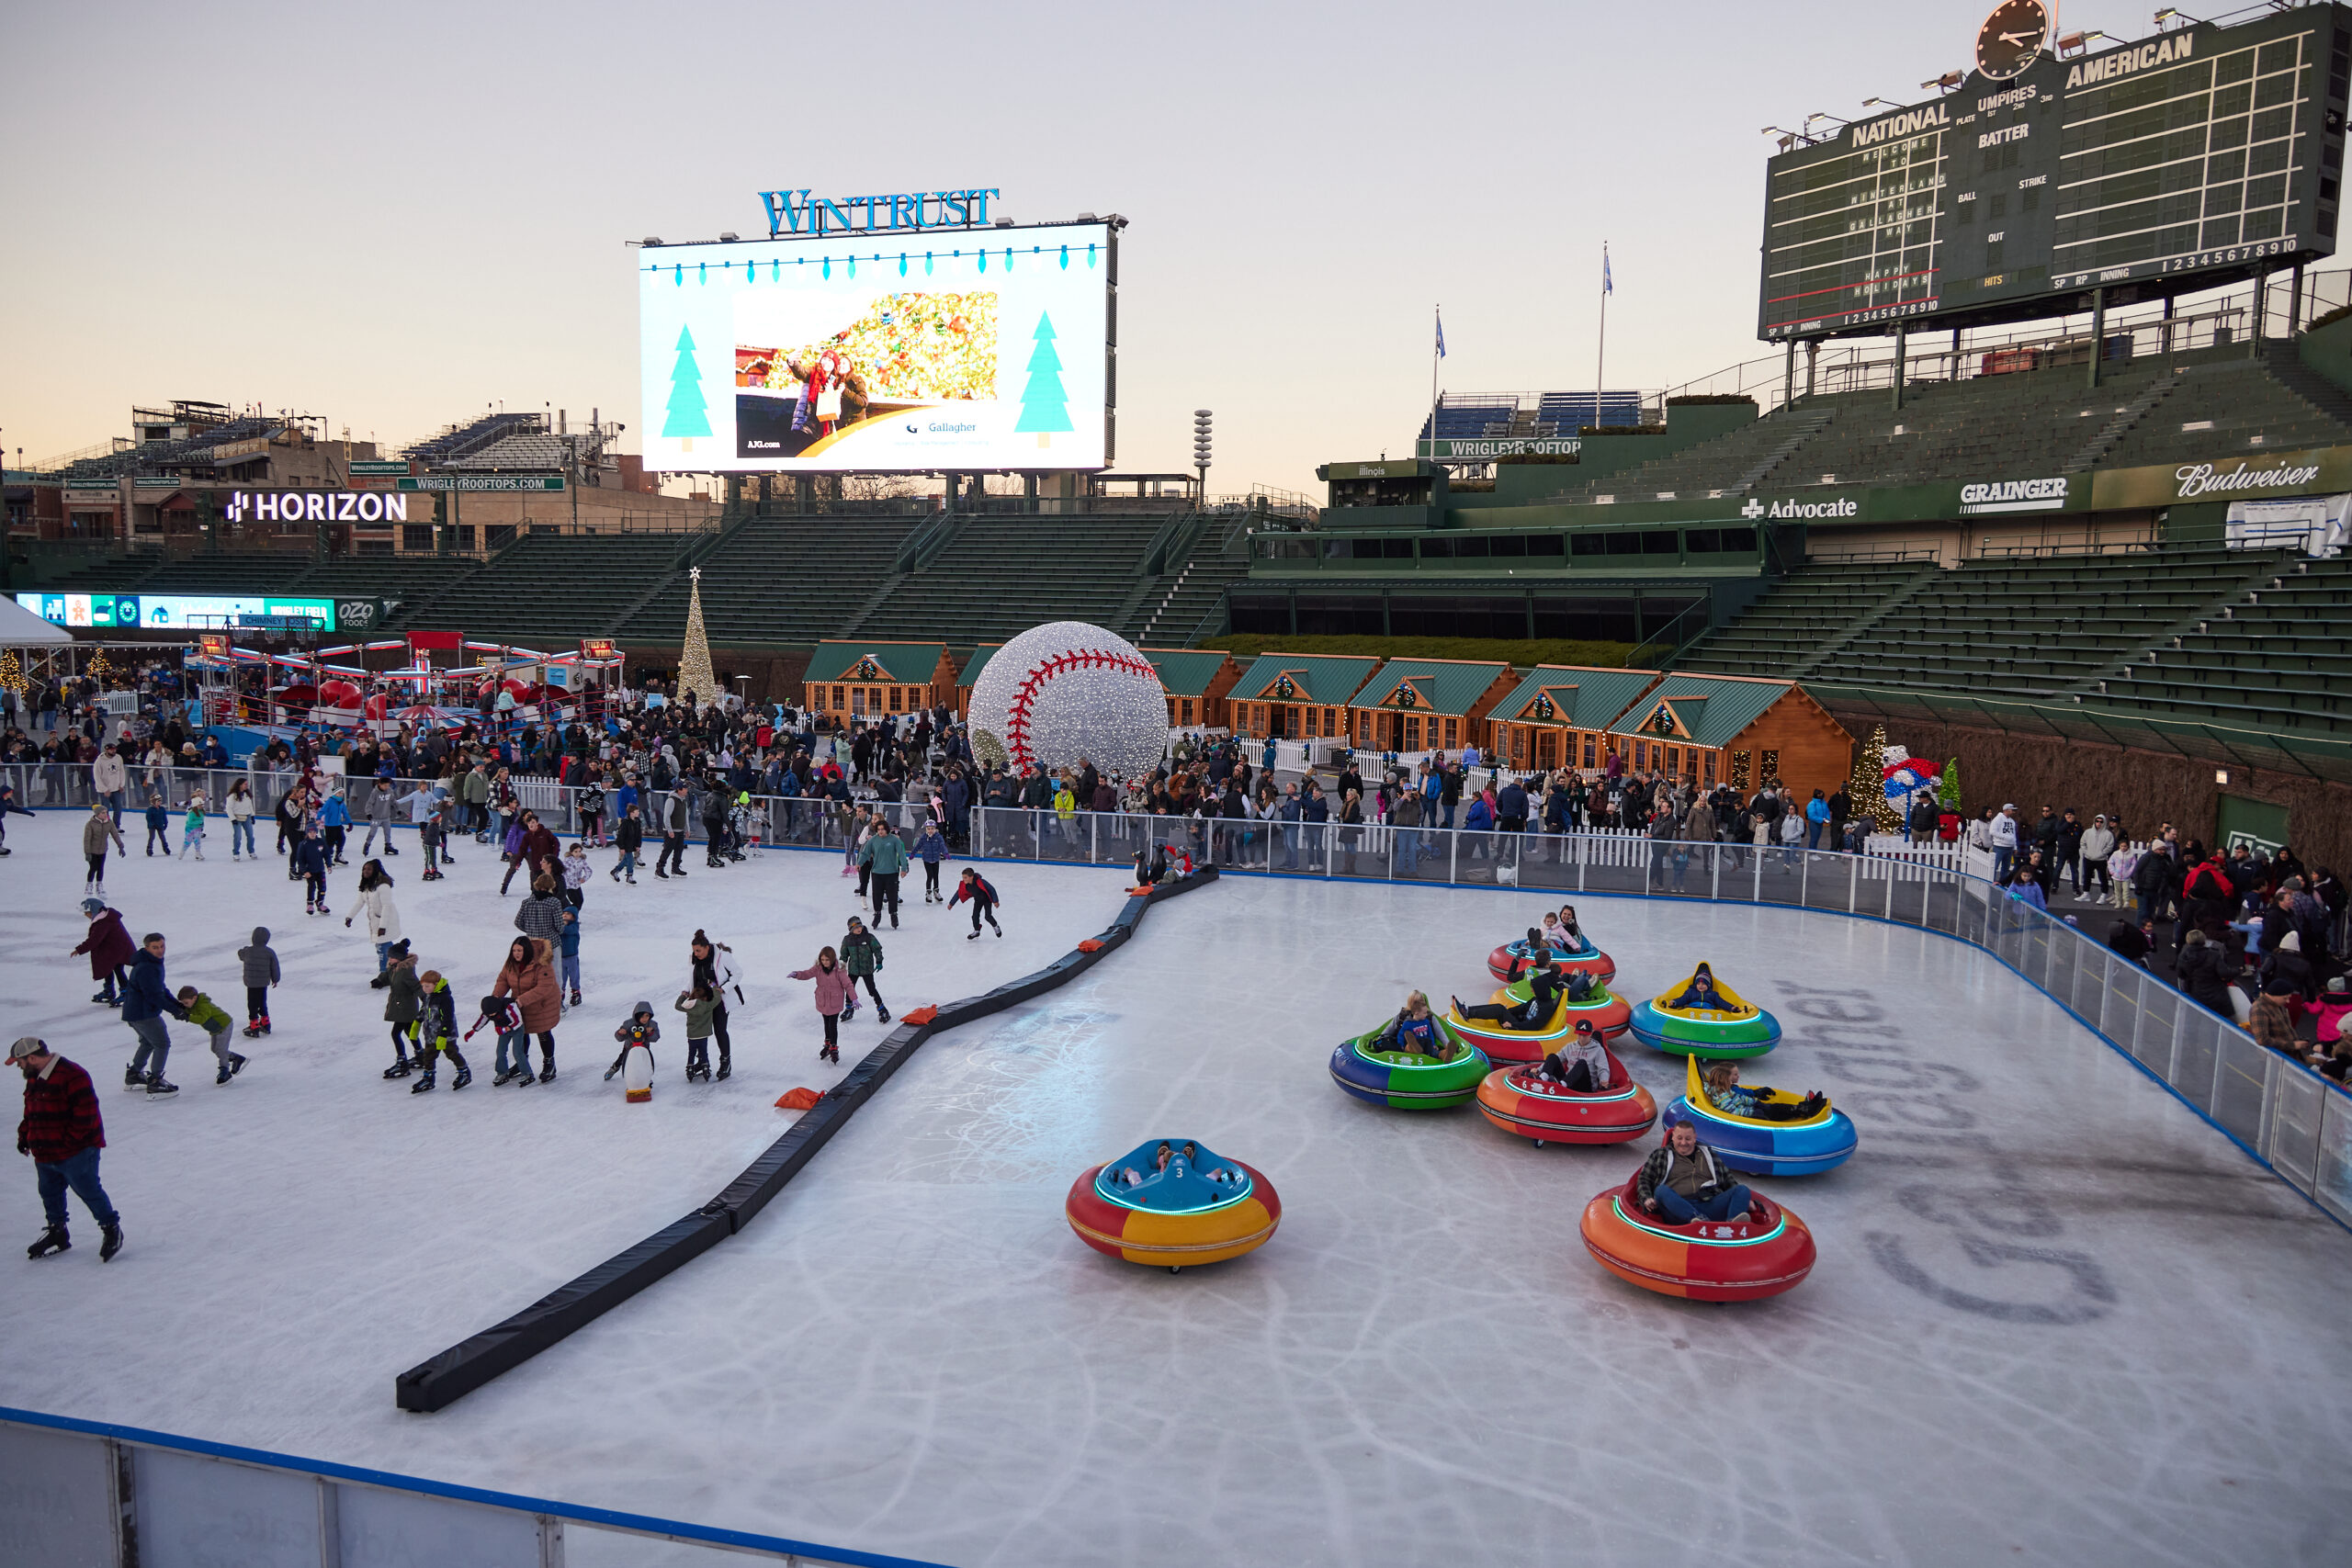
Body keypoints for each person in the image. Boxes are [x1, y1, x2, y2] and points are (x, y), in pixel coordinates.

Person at [16, 1037, 123, 1263]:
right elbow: (31, 1110)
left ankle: (111, 1228)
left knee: (89, 1190)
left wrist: (68, 1144)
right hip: (45, 1150)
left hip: (76, 1151)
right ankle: (58, 1231)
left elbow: (86, 1116)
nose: (19, 1066)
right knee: (49, 1193)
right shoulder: (35, 1078)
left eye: (20, 1061)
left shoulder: (73, 1075)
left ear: (32, 1058)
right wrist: (25, 1135)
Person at [1636, 1121, 1756, 1225]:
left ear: (1694, 1138)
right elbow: (1644, 1179)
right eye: (1679, 1138)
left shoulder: (1709, 1155)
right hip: (1677, 1208)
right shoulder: (1660, 1155)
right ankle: (1697, 1220)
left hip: (1708, 1202)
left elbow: (1728, 1179)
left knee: (1742, 1190)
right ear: (1673, 1137)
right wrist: (1646, 1197)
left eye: (1688, 1139)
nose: (1683, 1143)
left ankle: (1732, 1226)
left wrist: (1744, 1201)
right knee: (1661, 1191)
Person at [121, 931, 188, 1096]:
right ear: (146, 948)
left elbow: (161, 988)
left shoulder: (151, 962)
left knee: (147, 1042)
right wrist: (175, 1011)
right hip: (144, 1014)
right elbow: (153, 995)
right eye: (155, 947)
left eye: (162, 946)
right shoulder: (147, 967)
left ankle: (135, 1074)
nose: (160, 950)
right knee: (162, 1043)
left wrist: (176, 1004)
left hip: (133, 1012)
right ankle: (156, 1081)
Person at [492, 936, 561, 1082]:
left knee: (543, 1032)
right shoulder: (511, 963)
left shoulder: (542, 963)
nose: (516, 953)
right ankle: (521, 1062)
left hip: (543, 1003)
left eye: (520, 950)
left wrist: (522, 1000)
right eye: (514, 950)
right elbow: (503, 980)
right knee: (521, 1032)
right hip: (520, 1003)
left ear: (527, 951)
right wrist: (496, 999)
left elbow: (544, 987)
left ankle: (549, 1063)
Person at [1453, 958, 1566, 1031]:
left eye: (1533, 989)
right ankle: (1467, 1010)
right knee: (1501, 1009)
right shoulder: (1535, 999)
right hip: (1521, 1022)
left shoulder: (1546, 1007)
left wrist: (1513, 1026)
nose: (1532, 991)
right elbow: (1521, 1008)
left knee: (1499, 1009)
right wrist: (1508, 1012)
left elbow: (1535, 1025)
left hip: (1524, 1031)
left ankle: (1467, 1012)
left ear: (1540, 990)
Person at [688, 931, 741, 1079]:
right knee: (699, 1031)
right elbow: (692, 977)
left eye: (698, 950)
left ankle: (726, 1062)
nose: (695, 954)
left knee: (719, 1030)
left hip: (719, 1000)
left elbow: (738, 973)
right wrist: (686, 991)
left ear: (706, 948)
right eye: (694, 951)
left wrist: (724, 988)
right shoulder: (694, 959)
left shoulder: (723, 956)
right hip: (701, 1001)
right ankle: (701, 1061)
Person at [788, 946, 854, 1064]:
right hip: (822, 1001)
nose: (825, 962)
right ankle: (827, 1043)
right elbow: (807, 974)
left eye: (827, 960)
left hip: (835, 1002)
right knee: (826, 1023)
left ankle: (833, 1047)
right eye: (823, 960)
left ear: (832, 959)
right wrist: (797, 974)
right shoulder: (818, 968)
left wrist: (854, 998)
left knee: (832, 1024)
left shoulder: (839, 970)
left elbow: (848, 984)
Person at [408, 969, 468, 1092]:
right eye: (423, 986)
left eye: (427, 986)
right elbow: (424, 1010)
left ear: (436, 984)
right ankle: (428, 1078)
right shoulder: (427, 996)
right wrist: (416, 1023)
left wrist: (443, 1035)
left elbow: (448, 1018)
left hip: (446, 1035)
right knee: (428, 1056)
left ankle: (464, 1072)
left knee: (452, 1053)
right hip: (430, 1034)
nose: (424, 988)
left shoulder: (445, 998)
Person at [1701, 1062, 1825, 1122]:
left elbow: (1741, 1097)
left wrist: (1755, 1101)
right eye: (1735, 1074)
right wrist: (1754, 1111)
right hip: (1751, 1116)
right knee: (1775, 1111)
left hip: (1751, 1109)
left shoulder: (1728, 1089)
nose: (1738, 1076)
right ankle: (1805, 1109)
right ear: (1725, 1078)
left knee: (1776, 1107)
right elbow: (1733, 1111)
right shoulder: (1721, 1094)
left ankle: (1804, 1107)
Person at [74, 897, 136, 1008]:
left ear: (93, 911)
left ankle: (125, 992)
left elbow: (94, 940)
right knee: (107, 967)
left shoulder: (104, 922)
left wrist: (79, 949)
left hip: (119, 950)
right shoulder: (104, 918)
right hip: (112, 949)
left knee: (117, 968)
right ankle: (109, 990)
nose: (85, 915)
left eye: (87, 912)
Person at [346, 861, 402, 980]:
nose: (365, 871)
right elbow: (359, 902)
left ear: (375, 871)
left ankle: (385, 974)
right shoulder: (366, 886)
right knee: (383, 947)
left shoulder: (383, 886)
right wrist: (350, 917)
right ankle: (397, 963)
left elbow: (386, 907)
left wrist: (383, 927)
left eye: (369, 869)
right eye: (364, 869)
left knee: (383, 949)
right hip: (375, 921)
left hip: (387, 921)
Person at [468, 993, 533, 1088]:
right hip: (503, 1029)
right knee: (500, 1051)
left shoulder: (509, 1006)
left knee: (517, 1051)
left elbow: (518, 1021)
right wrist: (473, 1030)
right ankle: (502, 1073)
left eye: (492, 1013)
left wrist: (507, 1028)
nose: (491, 1015)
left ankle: (527, 1073)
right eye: (489, 1014)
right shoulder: (489, 1011)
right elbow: (483, 1019)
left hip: (517, 1029)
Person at [1534, 1018, 1611, 1090]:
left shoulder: (1598, 1050)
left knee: (1582, 1063)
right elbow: (1557, 1058)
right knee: (1552, 1056)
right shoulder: (1570, 1046)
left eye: (1584, 1035)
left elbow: (1603, 1068)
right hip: (1567, 1082)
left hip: (1585, 1085)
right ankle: (1542, 1078)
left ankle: (1562, 1086)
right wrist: (1538, 1069)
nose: (1582, 1038)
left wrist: (1604, 1080)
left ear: (1590, 1034)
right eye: (1580, 1035)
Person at [860, 818, 910, 929]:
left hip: (891, 872)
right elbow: (865, 853)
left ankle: (893, 915)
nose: (880, 831)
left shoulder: (894, 840)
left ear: (886, 830)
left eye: (882, 829)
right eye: (878, 830)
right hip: (877, 872)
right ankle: (877, 914)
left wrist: (904, 868)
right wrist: (859, 863)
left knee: (892, 895)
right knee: (877, 895)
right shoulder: (873, 840)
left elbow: (901, 854)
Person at [842, 916, 890, 1024]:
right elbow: (844, 954)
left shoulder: (869, 938)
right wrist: (842, 964)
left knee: (872, 989)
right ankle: (849, 1008)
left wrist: (879, 961)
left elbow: (877, 949)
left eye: (860, 927)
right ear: (851, 930)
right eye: (855, 928)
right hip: (853, 969)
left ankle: (882, 1009)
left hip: (867, 969)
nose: (859, 929)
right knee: (850, 989)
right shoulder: (847, 940)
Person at [1371, 990, 1448, 1056]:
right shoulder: (1403, 1017)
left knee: (1428, 1042)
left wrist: (1446, 1044)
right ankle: (1412, 1047)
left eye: (1420, 1002)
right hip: (1406, 1048)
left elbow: (1439, 1032)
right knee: (1410, 1043)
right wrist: (1380, 1041)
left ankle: (1443, 1054)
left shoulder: (1428, 1017)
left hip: (1425, 1046)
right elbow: (1390, 1029)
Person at [607, 1000, 662, 1082]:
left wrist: (651, 1033)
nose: (644, 1019)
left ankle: (647, 1077)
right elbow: (619, 1038)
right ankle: (614, 1068)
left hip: (644, 1047)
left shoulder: (652, 1024)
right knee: (622, 1059)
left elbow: (656, 1037)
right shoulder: (628, 1023)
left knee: (645, 1061)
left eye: (646, 1016)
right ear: (637, 1015)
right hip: (629, 1047)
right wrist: (621, 1033)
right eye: (642, 1016)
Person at [675, 987, 719, 1081]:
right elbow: (717, 999)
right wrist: (715, 989)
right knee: (703, 1052)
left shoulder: (688, 1006)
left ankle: (690, 1068)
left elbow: (677, 1006)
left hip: (692, 1036)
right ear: (705, 997)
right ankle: (705, 1067)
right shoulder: (707, 1006)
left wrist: (683, 996)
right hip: (703, 1035)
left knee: (691, 1053)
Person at [949, 866, 1002, 940]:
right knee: (974, 916)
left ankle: (996, 926)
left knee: (988, 916)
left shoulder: (981, 882)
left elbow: (991, 889)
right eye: (963, 877)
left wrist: (995, 901)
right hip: (978, 901)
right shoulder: (965, 885)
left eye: (965, 877)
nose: (963, 879)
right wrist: (951, 903)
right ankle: (977, 931)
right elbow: (959, 893)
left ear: (971, 877)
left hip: (987, 900)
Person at [83, 801, 124, 895]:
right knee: (93, 868)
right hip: (92, 850)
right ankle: (89, 885)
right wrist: (87, 852)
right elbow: (87, 839)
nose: (106, 815)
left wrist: (120, 846)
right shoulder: (90, 824)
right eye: (103, 813)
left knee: (101, 867)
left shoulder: (109, 823)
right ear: (98, 814)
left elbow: (115, 835)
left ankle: (99, 885)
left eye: (106, 813)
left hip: (103, 850)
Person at [653, 784, 690, 878]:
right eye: (685, 789)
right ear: (679, 790)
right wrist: (669, 830)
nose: (687, 791)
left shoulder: (683, 801)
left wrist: (687, 829)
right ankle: (660, 868)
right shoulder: (671, 800)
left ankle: (675, 868)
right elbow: (666, 817)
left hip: (680, 830)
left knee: (679, 849)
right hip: (671, 830)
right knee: (667, 850)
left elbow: (685, 816)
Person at [294, 825, 330, 916]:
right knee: (312, 887)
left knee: (322, 887)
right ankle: (310, 904)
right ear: (307, 833)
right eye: (310, 832)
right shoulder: (303, 844)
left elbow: (326, 854)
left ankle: (320, 902)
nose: (313, 834)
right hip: (310, 871)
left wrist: (328, 865)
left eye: (314, 832)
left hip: (320, 869)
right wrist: (304, 871)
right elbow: (300, 859)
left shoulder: (321, 842)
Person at [1667, 962, 1731, 1011]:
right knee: (1687, 1007)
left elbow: (1722, 1003)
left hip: (1708, 1011)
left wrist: (1731, 1008)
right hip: (1693, 1009)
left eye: (1703, 984)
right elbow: (1683, 999)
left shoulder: (1713, 994)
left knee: (1713, 1009)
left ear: (1708, 985)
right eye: (1698, 984)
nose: (1700, 986)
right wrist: (1675, 1002)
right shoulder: (1691, 991)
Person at [913, 818, 948, 902]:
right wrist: (913, 853)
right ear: (926, 829)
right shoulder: (924, 837)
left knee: (936, 876)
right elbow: (918, 846)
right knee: (930, 876)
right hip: (927, 860)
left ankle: (936, 892)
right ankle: (928, 892)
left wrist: (945, 853)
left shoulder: (938, 837)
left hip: (936, 859)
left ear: (935, 829)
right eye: (928, 829)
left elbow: (942, 845)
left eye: (932, 828)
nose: (930, 830)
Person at [611, 802, 643, 886]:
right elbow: (620, 836)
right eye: (637, 811)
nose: (638, 813)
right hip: (625, 845)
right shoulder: (625, 822)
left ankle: (615, 871)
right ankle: (629, 876)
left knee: (625, 860)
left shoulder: (637, 821)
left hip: (632, 844)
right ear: (631, 813)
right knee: (631, 861)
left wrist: (638, 845)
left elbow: (638, 835)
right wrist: (621, 847)